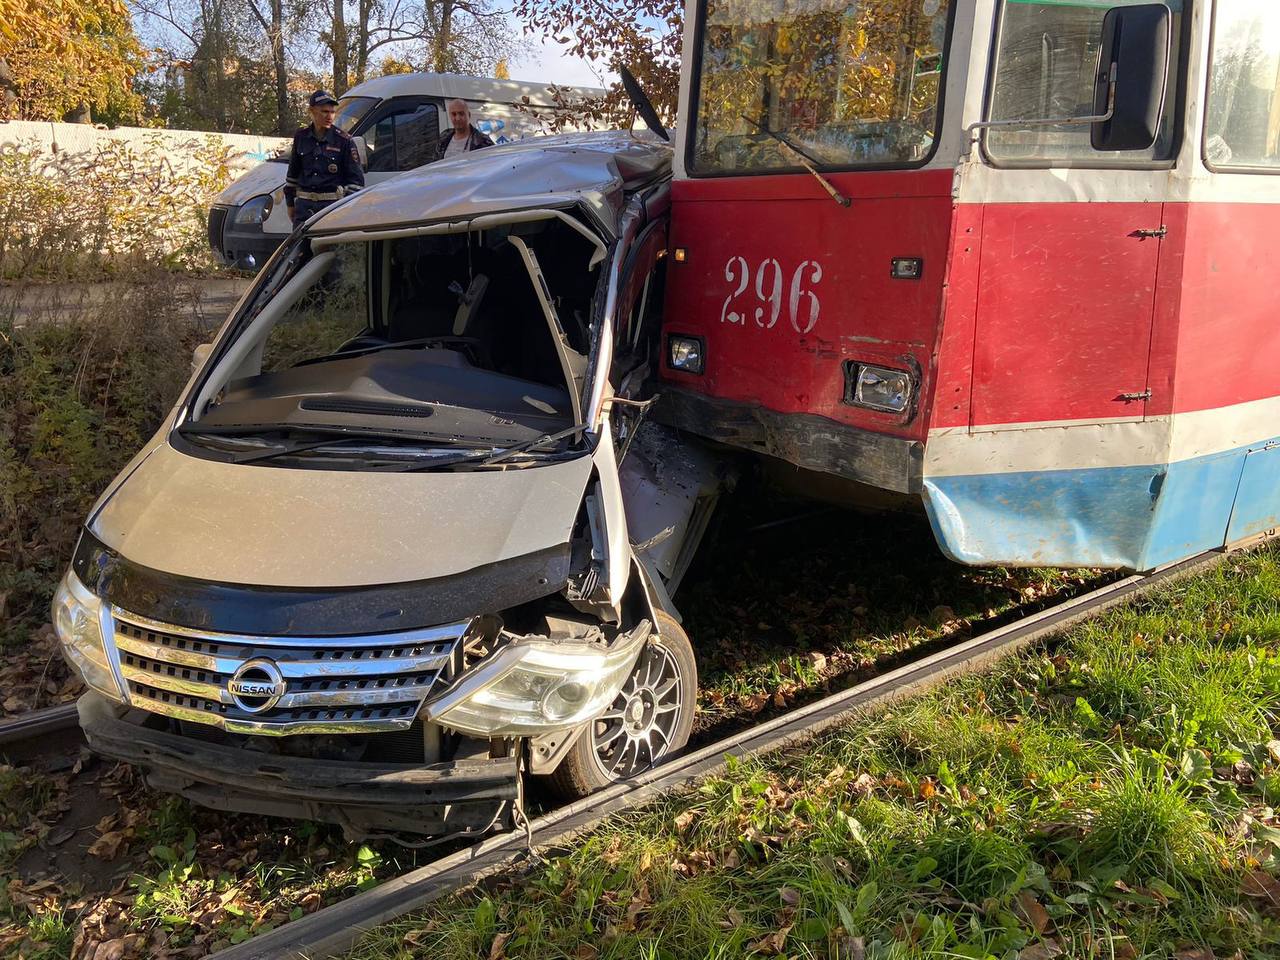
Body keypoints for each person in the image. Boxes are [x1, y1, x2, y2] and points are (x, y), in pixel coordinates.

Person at [285, 90, 365, 226]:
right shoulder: (301, 137)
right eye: (324, 112)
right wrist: (290, 204)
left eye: (332, 112)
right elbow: (292, 176)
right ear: (312, 111)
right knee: (300, 247)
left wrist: (343, 210)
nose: (329, 116)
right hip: (304, 208)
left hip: (331, 208)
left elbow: (356, 183)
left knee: (328, 247)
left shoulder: (343, 140)